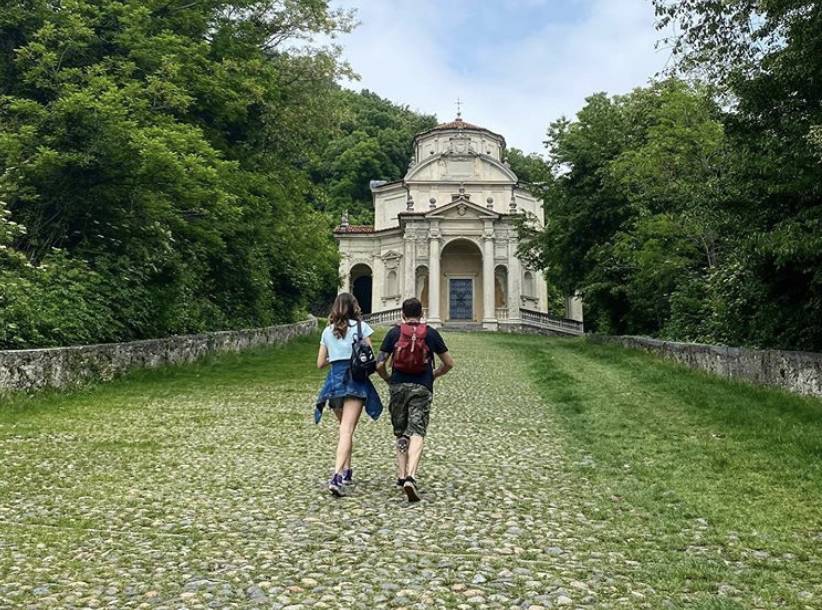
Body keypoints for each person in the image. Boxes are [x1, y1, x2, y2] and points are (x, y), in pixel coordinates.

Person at [376, 297, 454, 502]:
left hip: (398, 386)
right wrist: (433, 374)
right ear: (422, 314)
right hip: (422, 387)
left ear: (402, 313)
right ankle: (411, 475)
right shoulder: (430, 333)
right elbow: (449, 363)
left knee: (401, 432)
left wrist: (388, 379)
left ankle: (401, 475)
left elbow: (379, 363)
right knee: (418, 430)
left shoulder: (394, 333)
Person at [315, 293, 383, 497]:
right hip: (355, 381)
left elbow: (319, 363)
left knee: (345, 428)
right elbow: (369, 355)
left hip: (334, 382)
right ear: (353, 307)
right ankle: (336, 475)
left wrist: (335, 356)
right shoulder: (361, 328)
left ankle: (347, 470)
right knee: (347, 429)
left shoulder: (327, 331)